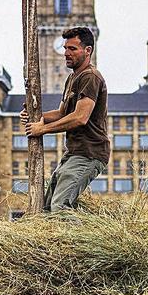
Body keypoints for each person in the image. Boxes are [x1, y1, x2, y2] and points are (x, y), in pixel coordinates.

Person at [22, 26, 110, 211]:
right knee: (46, 207)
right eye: (65, 48)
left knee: (59, 206)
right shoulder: (72, 79)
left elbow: (80, 118)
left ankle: (87, 238)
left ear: (88, 51)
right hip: (74, 153)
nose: (66, 53)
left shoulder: (90, 77)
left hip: (89, 154)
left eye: (72, 49)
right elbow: (62, 113)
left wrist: (42, 129)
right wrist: (36, 117)